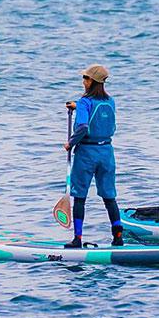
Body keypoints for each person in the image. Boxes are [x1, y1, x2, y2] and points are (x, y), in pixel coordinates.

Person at [62, 64, 123, 248]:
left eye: (85, 78)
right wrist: (78, 106)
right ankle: (118, 237)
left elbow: (82, 127)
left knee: (79, 196)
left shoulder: (85, 102)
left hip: (87, 153)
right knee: (109, 197)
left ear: (92, 82)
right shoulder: (110, 101)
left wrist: (70, 143)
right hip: (107, 152)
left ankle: (77, 239)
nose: (83, 81)